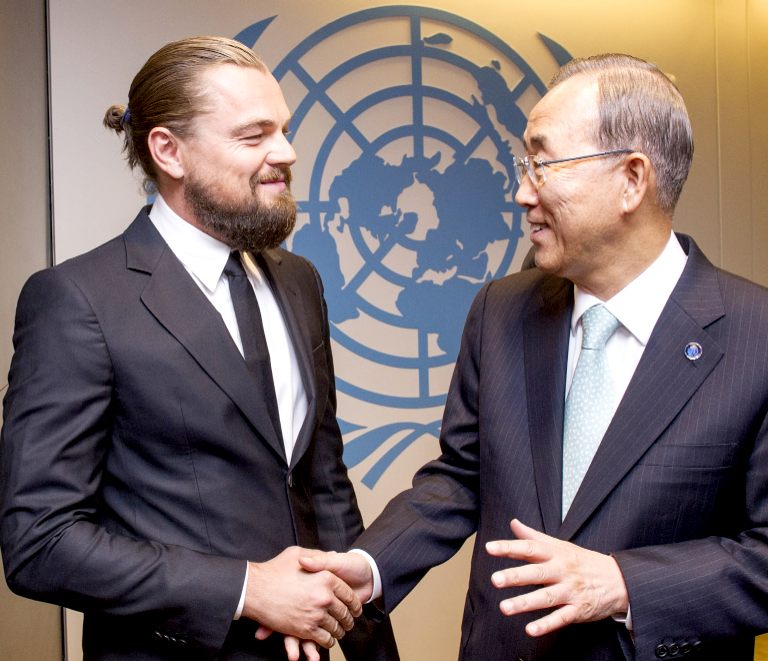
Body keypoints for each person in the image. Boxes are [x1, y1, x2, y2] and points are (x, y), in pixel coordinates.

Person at [298, 53, 768, 660]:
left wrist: (624, 585)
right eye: (525, 165)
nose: (522, 192)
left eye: (543, 164)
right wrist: (369, 565)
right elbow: (462, 476)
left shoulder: (753, 337)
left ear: (631, 179)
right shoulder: (502, 310)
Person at [0, 36, 397, 661]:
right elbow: (40, 542)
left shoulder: (298, 281)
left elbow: (323, 486)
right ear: (169, 151)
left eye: (285, 130)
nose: (286, 153)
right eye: (254, 135)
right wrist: (245, 588)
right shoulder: (77, 301)